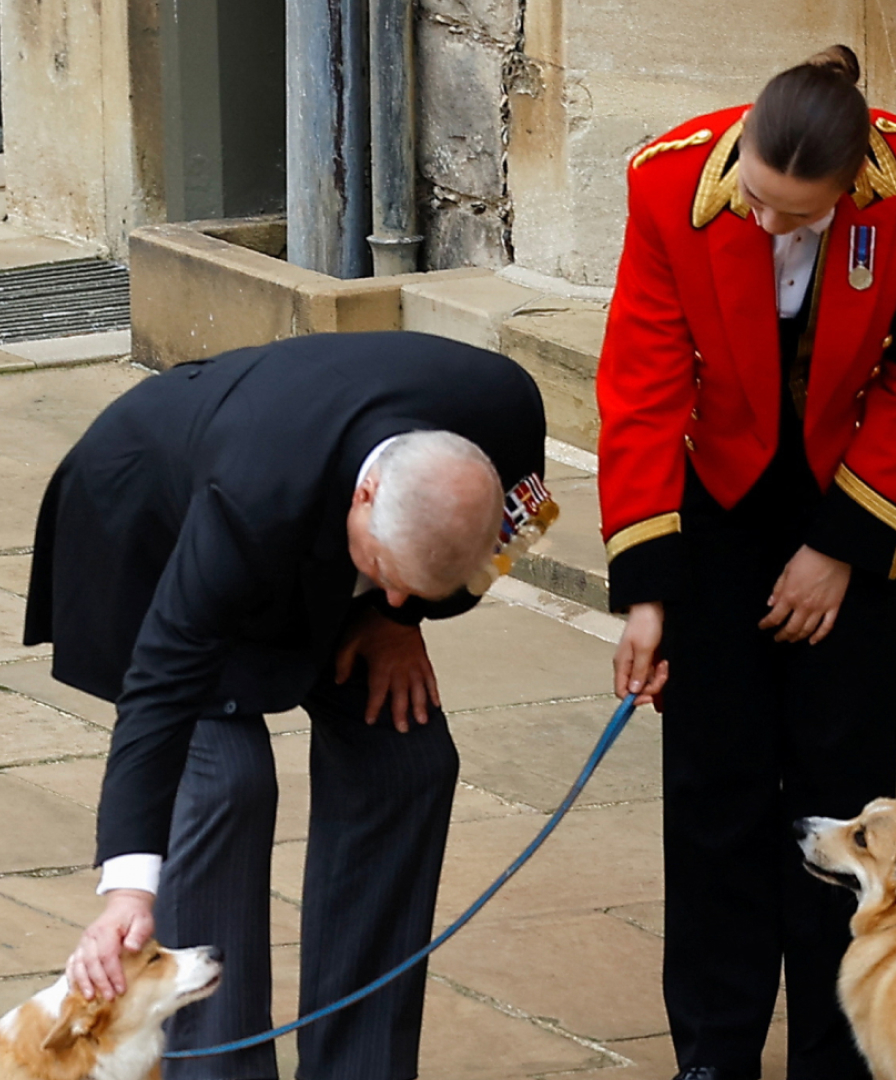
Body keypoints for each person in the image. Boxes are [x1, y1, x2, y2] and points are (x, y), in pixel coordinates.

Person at [23, 331, 550, 1080]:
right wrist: (129, 891)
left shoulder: (507, 411)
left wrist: (395, 621)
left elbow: (524, 522)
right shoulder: (251, 493)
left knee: (407, 761)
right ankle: (217, 1069)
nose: (400, 595)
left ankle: (359, 1066)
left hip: (316, 553)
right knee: (226, 782)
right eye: (388, 576)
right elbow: (161, 692)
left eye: (415, 588)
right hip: (150, 532)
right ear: (365, 499)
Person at [597, 46, 896, 1080]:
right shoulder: (668, 180)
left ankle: (834, 1053)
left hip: (852, 496)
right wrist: (648, 598)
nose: (766, 226)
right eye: (756, 198)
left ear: (852, 185)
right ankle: (714, 1051)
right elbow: (641, 389)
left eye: (796, 217)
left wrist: (839, 551)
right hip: (714, 503)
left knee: (842, 798)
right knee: (714, 792)